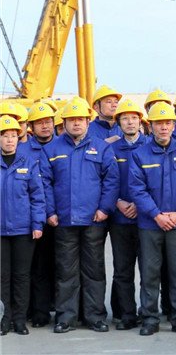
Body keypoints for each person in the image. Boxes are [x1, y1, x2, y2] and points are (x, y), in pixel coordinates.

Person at [40, 97, 120, 334]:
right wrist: (51, 212)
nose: (76, 123)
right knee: (66, 272)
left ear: (88, 121)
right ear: (64, 123)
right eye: (71, 119)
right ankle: (66, 317)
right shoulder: (51, 150)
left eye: (80, 119)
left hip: (93, 220)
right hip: (64, 221)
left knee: (94, 270)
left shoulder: (102, 148)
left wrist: (104, 209)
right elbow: (45, 183)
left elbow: (111, 180)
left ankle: (95, 316)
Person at [129, 102, 176, 336]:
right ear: (150, 126)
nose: (164, 127)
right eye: (159, 123)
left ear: (173, 125)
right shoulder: (139, 154)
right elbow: (137, 189)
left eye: (168, 123)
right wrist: (156, 214)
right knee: (150, 273)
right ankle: (150, 319)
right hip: (150, 225)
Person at [0, 115, 45, 335]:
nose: (10, 140)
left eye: (13, 136)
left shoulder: (28, 163)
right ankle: (4, 319)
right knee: (2, 277)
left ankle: (19, 320)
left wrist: (38, 224)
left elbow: (37, 197)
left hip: (23, 230)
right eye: (5, 136)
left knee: (21, 276)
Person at [109, 99, 148, 331]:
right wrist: (117, 202)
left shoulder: (151, 145)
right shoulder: (111, 149)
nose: (130, 122)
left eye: (134, 118)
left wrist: (140, 204)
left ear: (140, 121)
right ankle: (127, 315)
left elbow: (157, 183)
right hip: (120, 219)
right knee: (122, 270)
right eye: (125, 118)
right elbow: (105, 180)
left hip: (146, 219)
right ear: (119, 123)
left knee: (148, 271)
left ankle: (147, 312)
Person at [21, 103, 57, 328]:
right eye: (40, 123)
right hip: (34, 218)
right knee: (38, 267)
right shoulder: (22, 151)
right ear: (32, 127)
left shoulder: (62, 146)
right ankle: (39, 312)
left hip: (59, 217)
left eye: (48, 121)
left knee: (62, 266)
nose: (45, 126)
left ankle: (64, 308)